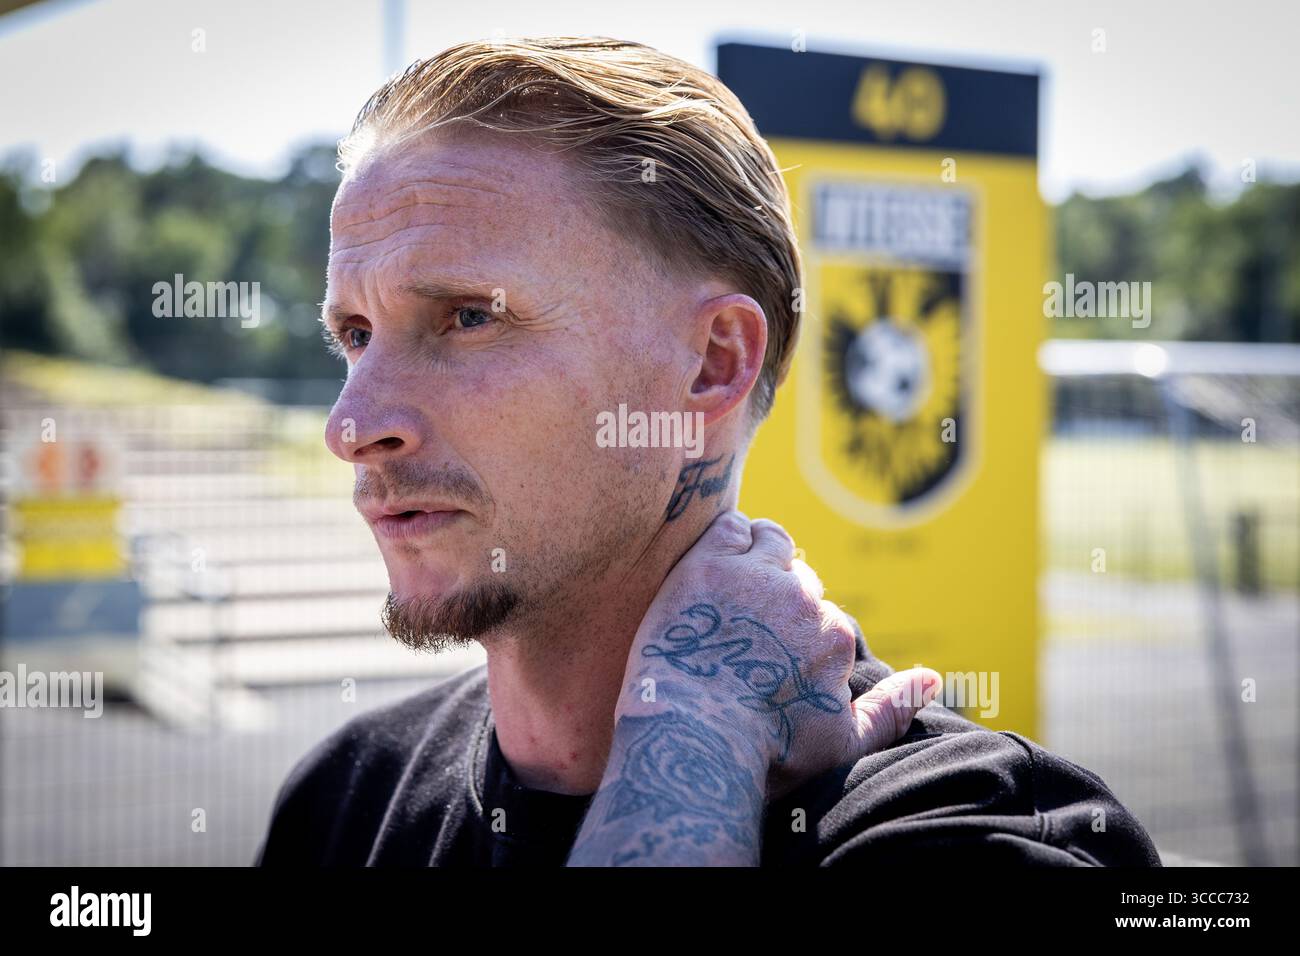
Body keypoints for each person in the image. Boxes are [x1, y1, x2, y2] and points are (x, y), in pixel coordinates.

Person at [255, 36, 1160, 867]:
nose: (351, 425)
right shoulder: (345, 799)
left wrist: (699, 728)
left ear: (713, 363)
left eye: (468, 317)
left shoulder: (978, 838)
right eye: (356, 333)